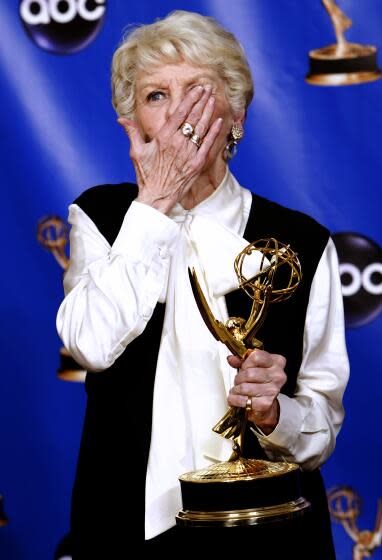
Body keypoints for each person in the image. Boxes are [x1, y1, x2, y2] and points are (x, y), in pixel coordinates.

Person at [56, 10, 349, 558]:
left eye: (198, 90)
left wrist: (275, 412)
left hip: (271, 530)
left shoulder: (302, 243)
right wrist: (155, 203)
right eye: (157, 96)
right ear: (133, 121)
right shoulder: (100, 218)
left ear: (235, 114)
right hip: (124, 527)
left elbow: (322, 423)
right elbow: (90, 344)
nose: (179, 116)